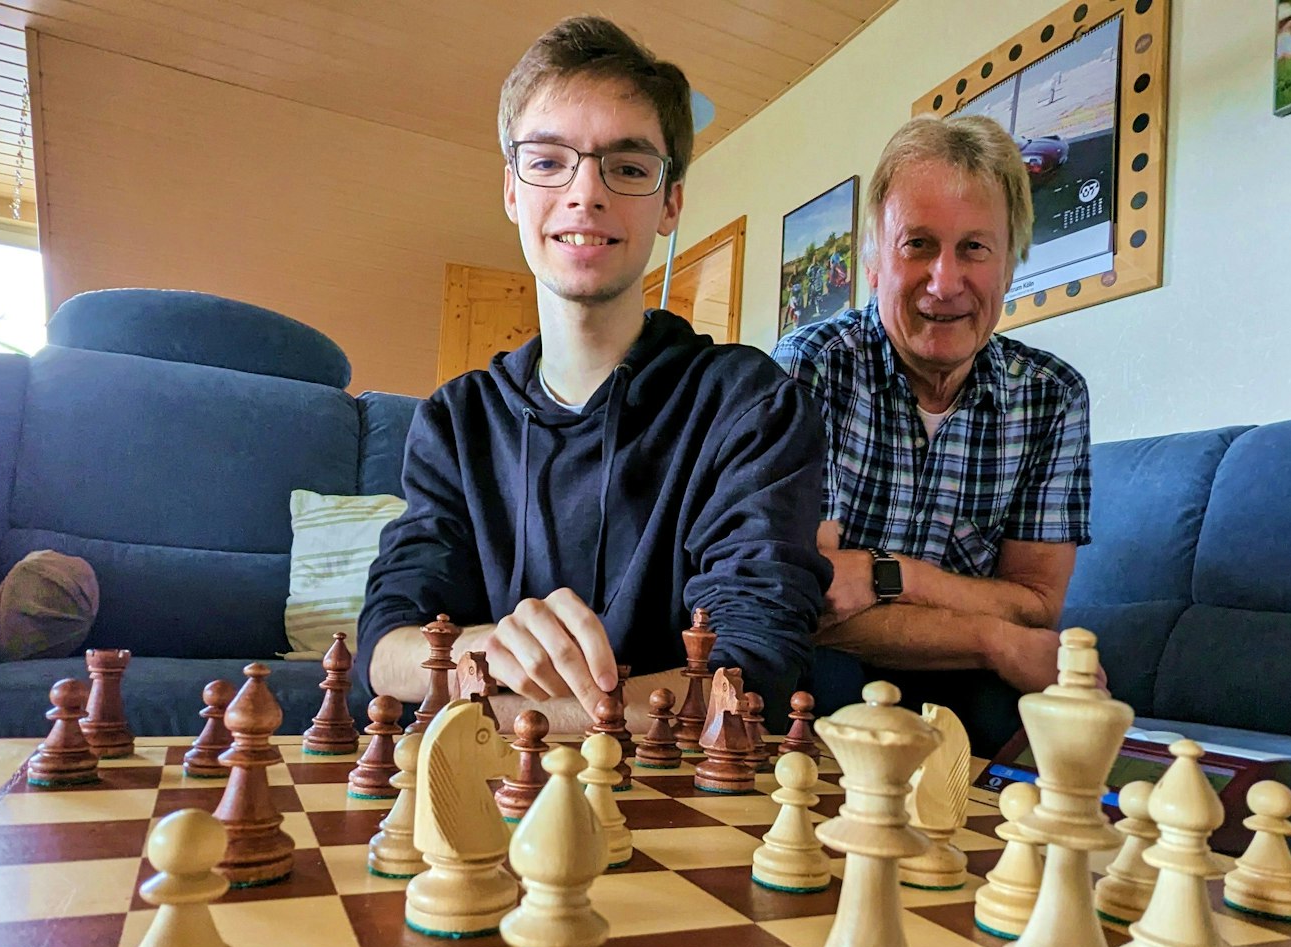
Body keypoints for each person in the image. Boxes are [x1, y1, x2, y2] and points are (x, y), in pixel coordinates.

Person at [359, 16, 829, 730]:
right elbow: (385, 645)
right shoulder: (455, 421)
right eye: (548, 161)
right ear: (512, 190)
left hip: (685, 811)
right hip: (477, 804)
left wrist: (499, 706)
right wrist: (488, 648)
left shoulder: (752, 405)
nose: (586, 194)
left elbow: (755, 660)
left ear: (671, 202)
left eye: (629, 167)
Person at [772, 114, 1093, 750]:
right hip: (838, 668)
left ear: (1010, 267)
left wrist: (890, 575)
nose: (945, 283)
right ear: (871, 264)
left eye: (975, 248)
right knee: (815, 681)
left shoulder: (1053, 397)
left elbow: (1037, 605)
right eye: (917, 243)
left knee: (1029, 717)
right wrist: (989, 634)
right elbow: (810, 604)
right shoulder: (810, 368)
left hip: (963, 682)